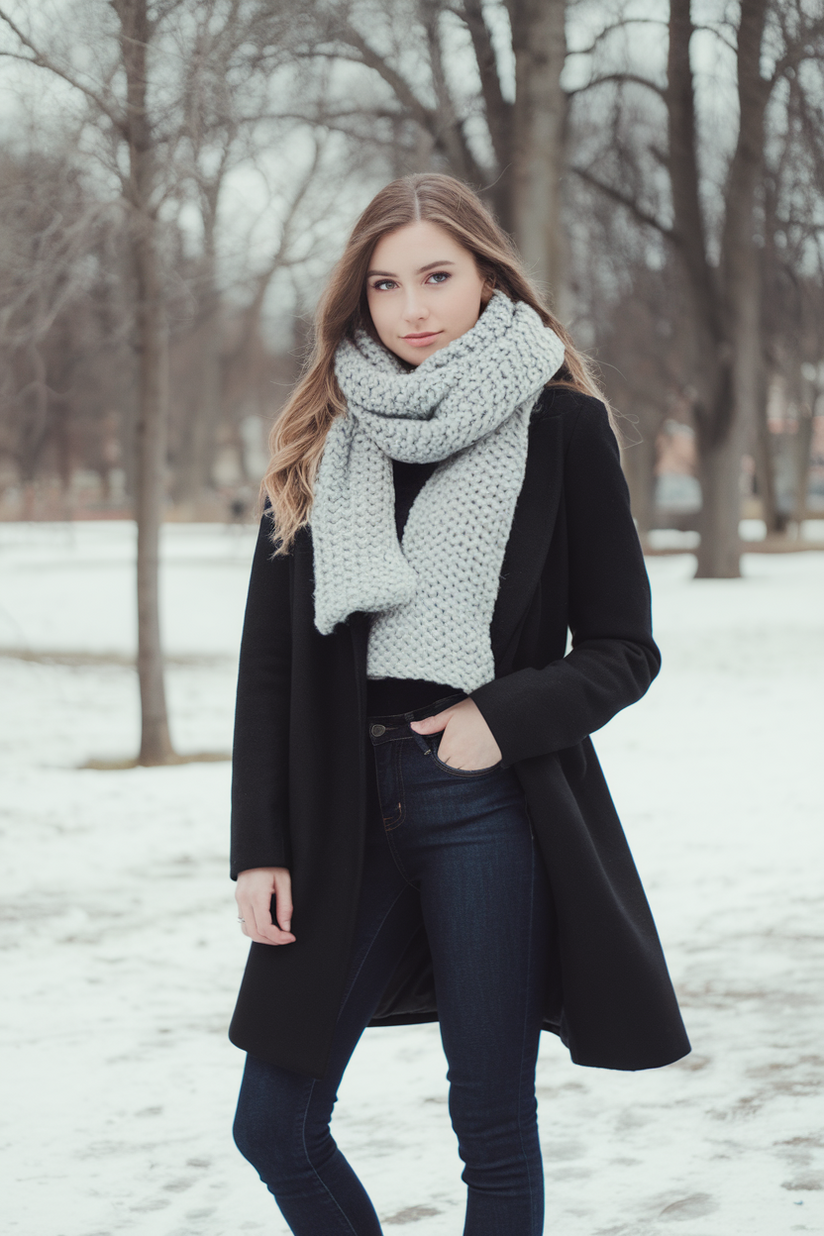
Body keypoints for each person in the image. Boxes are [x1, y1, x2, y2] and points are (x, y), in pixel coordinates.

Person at [229, 173, 690, 1235]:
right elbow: (269, 669)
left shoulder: (561, 427)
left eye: (437, 276)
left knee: (489, 1125)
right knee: (274, 1124)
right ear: (358, 298)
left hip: (485, 807)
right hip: (340, 812)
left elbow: (625, 648)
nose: (413, 308)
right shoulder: (319, 438)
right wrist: (260, 846)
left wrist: (502, 716)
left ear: (487, 276)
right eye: (386, 285)